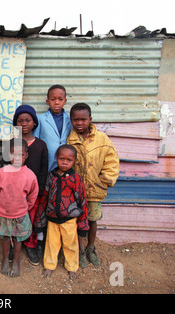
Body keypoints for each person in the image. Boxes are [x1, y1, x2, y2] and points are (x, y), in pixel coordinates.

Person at [67, 103, 119, 267]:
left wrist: (105, 178)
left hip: (95, 190)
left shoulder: (101, 139)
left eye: (83, 119)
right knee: (78, 221)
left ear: (90, 119)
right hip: (76, 192)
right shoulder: (71, 139)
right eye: (76, 120)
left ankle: (91, 248)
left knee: (92, 220)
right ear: (71, 120)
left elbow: (111, 159)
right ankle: (80, 251)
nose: (80, 123)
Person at [35, 145, 89, 279]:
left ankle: (72, 267)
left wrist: (83, 225)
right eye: (61, 159)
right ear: (56, 159)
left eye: (69, 160)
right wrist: (40, 220)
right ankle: (49, 265)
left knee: (70, 244)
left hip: (69, 220)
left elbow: (82, 200)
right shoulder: (51, 176)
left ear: (74, 161)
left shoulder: (75, 178)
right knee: (51, 244)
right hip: (52, 219)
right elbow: (45, 198)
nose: (65, 162)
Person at [0, 138, 39, 277]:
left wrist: (25, 208)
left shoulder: (30, 175)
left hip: (20, 214)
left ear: (26, 155)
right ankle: (5, 260)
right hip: (5, 213)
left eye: (21, 155)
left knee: (18, 239)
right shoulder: (1, 173)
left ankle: (17, 262)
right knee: (6, 237)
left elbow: (33, 195)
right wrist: (4, 204)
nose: (17, 158)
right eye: (14, 154)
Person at [13, 105, 48, 265]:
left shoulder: (41, 145)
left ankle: (29, 245)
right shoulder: (11, 144)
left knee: (31, 220)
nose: (24, 123)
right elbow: (5, 168)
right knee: (14, 220)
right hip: (15, 193)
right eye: (20, 121)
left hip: (33, 193)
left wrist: (39, 191)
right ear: (16, 124)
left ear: (34, 123)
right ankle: (14, 245)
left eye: (28, 120)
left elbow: (43, 170)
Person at [33, 84, 73, 172]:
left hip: (65, 164)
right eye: (53, 99)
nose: (57, 102)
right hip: (47, 162)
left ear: (65, 101)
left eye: (60, 99)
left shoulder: (70, 120)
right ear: (47, 101)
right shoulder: (40, 119)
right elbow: (35, 141)